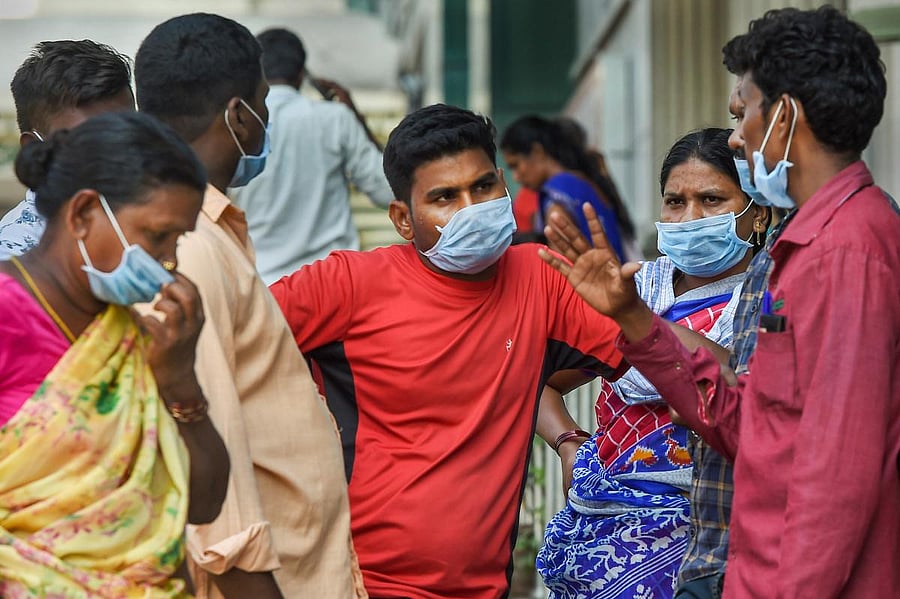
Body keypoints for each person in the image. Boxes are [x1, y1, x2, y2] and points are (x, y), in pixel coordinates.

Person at [539, 7, 899, 598]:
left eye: (741, 112)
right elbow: (757, 425)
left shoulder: (847, 251)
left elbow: (837, 478)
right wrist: (634, 319)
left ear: (784, 116)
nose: (735, 137)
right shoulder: (803, 245)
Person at [269, 103, 628, 599]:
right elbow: (224, 342)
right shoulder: (347, 285)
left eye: (483, 187)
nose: (471, 208)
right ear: (403, 219)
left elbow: (668, 366)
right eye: (444, 197)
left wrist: (631, 317)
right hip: (359, 584)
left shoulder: (541, 277)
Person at [134, 13, 364, 598]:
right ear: (239, 115)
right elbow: (217, 496)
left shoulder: (210, 230)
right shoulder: (191, 246)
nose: (267, 118)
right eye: (264, 103)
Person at [0, 111, 229, 596]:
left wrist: (180, 381)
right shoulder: (8, 317)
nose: (169, 261)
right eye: (157, 236)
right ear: (83, 214)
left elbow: (203, 504)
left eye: (178, 241)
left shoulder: (135, 335)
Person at [538, 128, 770, 599]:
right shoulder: (635, 286)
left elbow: (733, 390)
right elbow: (539, 380)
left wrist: (634, 320)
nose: (690, 218)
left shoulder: (769, 297)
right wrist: (567, 443)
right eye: (675, 202)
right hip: (597, 525)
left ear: (759, 213)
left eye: (711, 200)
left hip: (709, 531)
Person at [229, 27, 393, 283]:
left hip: (264, 282)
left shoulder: (238, 122)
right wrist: (357, 119)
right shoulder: (335, 119)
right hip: (334, 280)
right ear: (301, 73)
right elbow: (387, 190)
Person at [0, 39, 135, 259]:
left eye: (127, 130)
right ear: (33, 146)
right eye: (88, 140)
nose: (114, 151)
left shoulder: (148, 214)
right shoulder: (15, 256)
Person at [500, 114, 627, 261]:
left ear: (537, 151)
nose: (516, 177)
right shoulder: (583, 180)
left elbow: (560, 268)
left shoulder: (555, 200)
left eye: (515, 165)